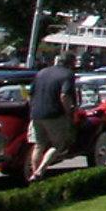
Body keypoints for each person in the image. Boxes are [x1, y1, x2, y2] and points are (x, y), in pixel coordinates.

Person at [27, 51, 80, 182]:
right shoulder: (67, 75)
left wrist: (33, 109)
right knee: (58, 145)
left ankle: (35, 174)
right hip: (55, 115)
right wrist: (69, 112)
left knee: (39, 145)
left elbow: (30, 94)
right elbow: (64, 96)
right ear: (70, 63)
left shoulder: (41, 72)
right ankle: (40, 171)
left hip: (36, 114)